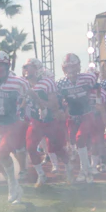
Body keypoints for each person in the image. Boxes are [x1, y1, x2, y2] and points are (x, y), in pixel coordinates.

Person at [0, 50, 45, 203]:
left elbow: (31, 93)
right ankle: (14, 185)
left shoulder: (18, 82)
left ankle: (13, 185)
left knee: (2, 153)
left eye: (1, 65)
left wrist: (41, 106)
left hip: (13, 124)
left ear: (7, 66)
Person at [56, 53, 106, 183]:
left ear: (78, 67)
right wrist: (61, 111)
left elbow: (97, 88)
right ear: (64, 68)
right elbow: (59, 99)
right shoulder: (61, 83)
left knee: (80, 139)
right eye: (68, 67)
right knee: (75, 142)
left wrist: (98, 101)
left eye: (73, 67)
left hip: (87, 113)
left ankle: (85, 170)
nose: (71, 70)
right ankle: (86, 169)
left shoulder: (88, 78)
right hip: (73, 115)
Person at [22, 57, 70, 186]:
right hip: (35, 121)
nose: (26, 70)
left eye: (29, 67)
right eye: (25, 67)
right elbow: (24, 101)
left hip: (49, 120)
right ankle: (41, 175)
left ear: (37, 69)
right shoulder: (24, 83)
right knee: (30, 147)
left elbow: (53, 104)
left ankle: (68, 167)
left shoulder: (47, 82)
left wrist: (39, 101)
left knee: (57, 148)